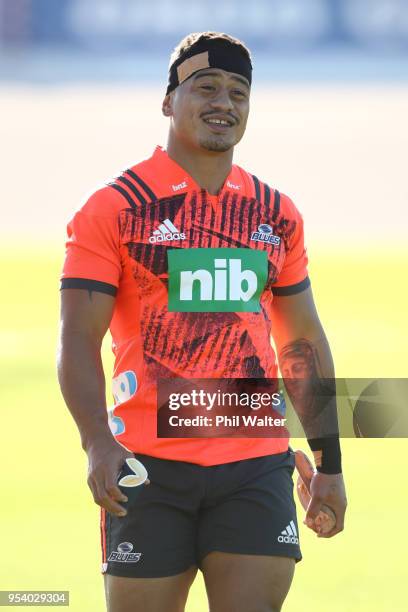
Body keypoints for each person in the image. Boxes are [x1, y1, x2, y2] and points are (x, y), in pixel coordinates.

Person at [57, 31, 347, 612]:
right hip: (146, 465)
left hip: (255, 463)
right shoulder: (114, 208)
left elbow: (302, 340)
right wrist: (97, 443)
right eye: (206, 87)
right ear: (169, 101)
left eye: (239, 92)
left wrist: (329, 464)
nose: (225, 103)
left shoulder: (276, 213)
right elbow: (77, 341)